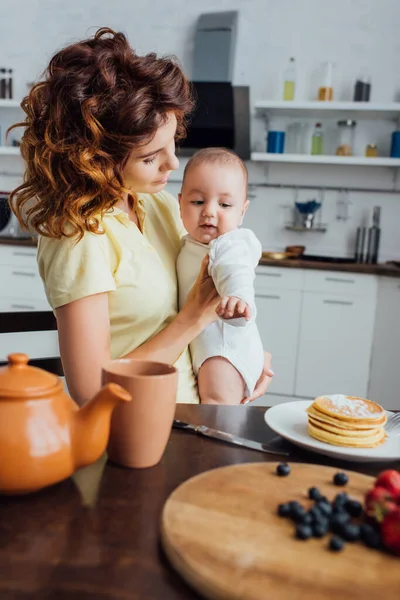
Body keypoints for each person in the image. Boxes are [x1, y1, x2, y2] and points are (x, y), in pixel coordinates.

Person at [8, 27, 273, 406]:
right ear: (96, 160)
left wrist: (241, 356)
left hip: (203, 417)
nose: (173, 163)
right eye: (150, 157)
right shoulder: (79, 235)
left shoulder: (161, 205)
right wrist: (194, 318)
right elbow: (92, 391)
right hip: (139, 434)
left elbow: (219, 283)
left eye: (172, 143)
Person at [177, 148, 265, 405]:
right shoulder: (189, 243)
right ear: (180, 203)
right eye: (197, 202)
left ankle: (223, 446)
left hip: (225, 347)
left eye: (224, 204)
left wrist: (238, 298)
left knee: (217, 408)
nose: (209, 211)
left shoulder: (230, 243)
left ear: (242, 210)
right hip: (205, 343)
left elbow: (235, 270)